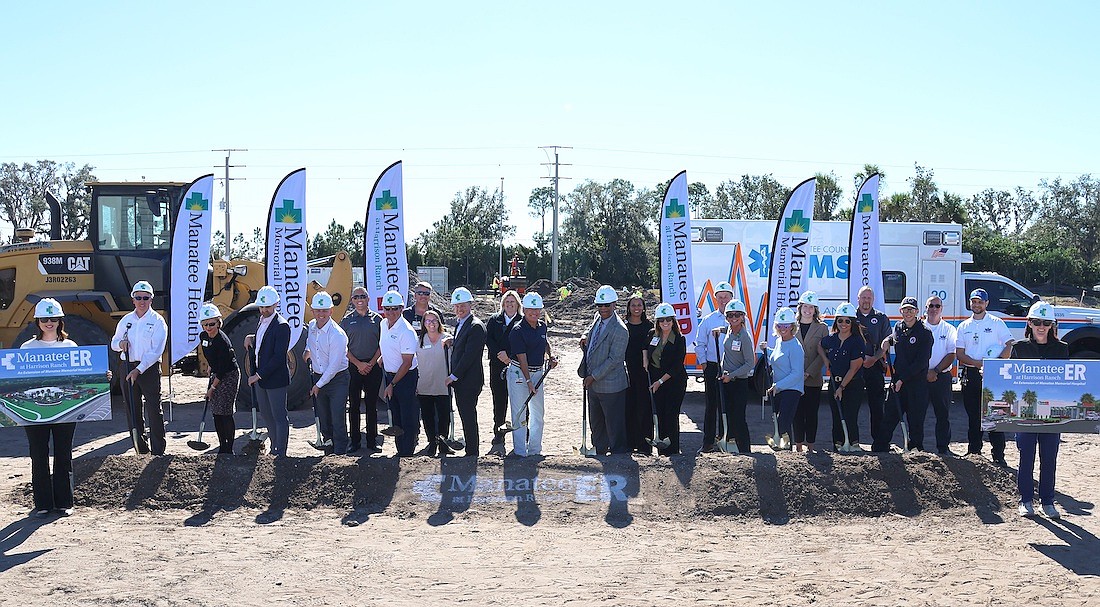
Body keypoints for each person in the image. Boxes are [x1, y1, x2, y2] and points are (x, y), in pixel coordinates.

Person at [22, 298, 80, 517]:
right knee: (38, 454)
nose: (49, 323)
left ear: (59, 321)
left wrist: (102, 376)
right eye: (44, 319)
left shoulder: (70, 346)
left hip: (64, 409)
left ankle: (64, 502)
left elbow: (80, 377)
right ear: (37, 321)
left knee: (63, 453)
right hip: (35, 409)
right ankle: (43, 504)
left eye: (53, 318)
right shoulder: (27, 348)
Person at [1012, 301, 1069, 518]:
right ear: (1029, 323)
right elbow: (1010, 379)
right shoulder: (1019, 348)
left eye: (1046, 323)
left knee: (1049, 458)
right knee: (1026, 457)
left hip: (1053, 414)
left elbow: (1066, 381)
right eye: (1037, 322)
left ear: (1052, 325)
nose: (1041, 327)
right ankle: (1026, 500)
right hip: (1025, 413)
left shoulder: (1061, 348)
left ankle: (1047, 501)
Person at [956, 288, 1013, 466]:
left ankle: (998, 456)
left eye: (980, 302)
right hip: (971, 374)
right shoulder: (964, 326)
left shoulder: (996, 322)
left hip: (992, 375)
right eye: (974, 301)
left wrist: (995, 364)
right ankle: (974, 453)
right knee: (974, 417)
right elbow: (959, 353)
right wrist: (977, 363)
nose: (976, 305)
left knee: (995, 416)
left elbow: (1009, 344)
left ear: (986, 303)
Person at [110, 280, 168, 455]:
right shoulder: (126, 320)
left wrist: (139, 370)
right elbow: (114, 343)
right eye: (138, 297)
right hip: (127, 366)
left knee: (153, 409)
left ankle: (158, 451)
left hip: (148, 369)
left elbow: (155, 351)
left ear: (151, 299)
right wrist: (121, 344)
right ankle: (140, 449)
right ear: (133, 299)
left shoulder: (158, 322)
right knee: (132, 408)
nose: (142, 301)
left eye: (145, 297)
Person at [874, 296, 933, 452]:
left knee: (915, 420)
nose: (908, 313)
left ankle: (915, 449)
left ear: (917, 312)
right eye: (905, 310)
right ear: (901, 311)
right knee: (890, 416)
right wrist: (887, 340)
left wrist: (903, 380)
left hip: (916, 384)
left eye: (911, 310)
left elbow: (921, 363)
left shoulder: (925, 333)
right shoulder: (899, 327)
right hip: (898, 381)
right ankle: (880, 447)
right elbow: (894, 338)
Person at [580, 285, 630, 455]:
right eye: (600, 305)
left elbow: (614, 360)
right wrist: (585, 335)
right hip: (593, 385)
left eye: (606, 305)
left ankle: (619, 458)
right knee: (597, 423)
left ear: (614, 304)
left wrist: (593, 377)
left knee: (614, 425)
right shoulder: (598, 317)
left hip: (611, 386)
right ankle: (600, 452)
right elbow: (592, 329)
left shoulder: (620, 330)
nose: (603, 308)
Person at [507, 292, 558, 457]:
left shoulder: (542, 326)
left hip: (538, 372)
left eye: (537, 310)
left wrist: (550, 356)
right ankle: (520, 451)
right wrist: (529, 381)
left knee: (538, 413)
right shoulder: (517, 330)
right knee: (519, 412)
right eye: (531, 310)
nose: (534, 313)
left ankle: (535, 450)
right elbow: (522, 358)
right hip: (519, 374)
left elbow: (545, 342)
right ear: (525, 309)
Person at [245, 285, 291, 457]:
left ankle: (281, 452)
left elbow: (278, 357)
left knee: (279, 416)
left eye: (267, 307)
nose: (264, 310)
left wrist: (258, 375)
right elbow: (263, 341)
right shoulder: (262, 320)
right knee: (266, 414)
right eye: (262, 307)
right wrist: (251, 337)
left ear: (276, 305)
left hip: (275, 379)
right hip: (261, 379)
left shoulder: (282, 326)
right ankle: (274, 447)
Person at [817, 302, 868, 452]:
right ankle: (838, 444)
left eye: (847, 321)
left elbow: (854, 369)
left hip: (852, 385)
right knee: (836, 416)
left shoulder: (857, 342)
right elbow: (820, 345)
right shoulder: (831, 338)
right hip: (834, 382)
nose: (843, 324)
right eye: (840, 320)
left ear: (852, 322)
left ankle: (853, 444)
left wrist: (841, 387)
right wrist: (825, 360)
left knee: (850, 415)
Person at [304, 292, 350, 455]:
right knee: (324, 417)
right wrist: (307, 351)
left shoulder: (337, 335)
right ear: (313, 311)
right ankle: (328, 447)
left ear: (331, 311)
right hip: (318, 376)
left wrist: (318, 385)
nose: (321, 314)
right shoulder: (311, 326)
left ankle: (340, 452)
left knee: (337, 416)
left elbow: (333, 366)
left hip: (337, 379)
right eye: (318, 311)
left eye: (324, 311)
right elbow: (311, 343)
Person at [694, 281, 734, 453]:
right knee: (711, 406)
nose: (723, 300)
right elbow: (699, 344)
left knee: (729, 405)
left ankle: (726, 439)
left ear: (732, 298)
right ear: (715, 299)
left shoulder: (738, 319)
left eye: (726, 296)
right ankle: (708, 442)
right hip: (712, 366)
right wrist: (704, 364)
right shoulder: (708, 320)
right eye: (720, 297)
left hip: (731, 367)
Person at [342, 286, 383, 454]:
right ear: (352, 300)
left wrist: (371, 363)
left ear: (368, 299)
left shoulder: (378, 319)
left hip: (373, 367)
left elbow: (382, 344)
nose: (360, 299)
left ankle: (372, 441)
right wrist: (358, 364)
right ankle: (355, 441)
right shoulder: (346, 320)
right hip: (353, 367)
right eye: (356, 297)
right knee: (354, 406)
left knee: (372, 405)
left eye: (363, 296)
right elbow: (343, 347)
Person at [446, 287, 486, 457]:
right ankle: (471, 449)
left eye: (463, 305)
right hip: (463, 380)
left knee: (468, 416)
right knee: (465, 415)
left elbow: (469, 356)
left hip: (469, 381)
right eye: (456, 306)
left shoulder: (476, 326)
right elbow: (463, 344)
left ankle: (472, 452)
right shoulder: (462, 323)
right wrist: (453, 341)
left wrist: (454, 376)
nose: (459, 309)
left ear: (470, 305)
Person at [380, 290, 420, 456]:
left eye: (394, 308)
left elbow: (407, 362)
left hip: (405, 378)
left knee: (407, 416)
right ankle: (400, 450)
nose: (391, 312)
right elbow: (387, 344)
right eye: (387, 308)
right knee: (396, 416)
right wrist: (383, 356)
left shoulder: (407, 331)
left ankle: (407, 452)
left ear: (402, 308)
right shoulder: (383, 324)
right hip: (390, 375)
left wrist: (392, 385)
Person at [197, 303, 239, 455]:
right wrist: (210, 365)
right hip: (217, 373)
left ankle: (229, 448)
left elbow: (222, 369)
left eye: (212, 324)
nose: (208, 327)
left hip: (228, 375)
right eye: (205, 324)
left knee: (225, 411)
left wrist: (212, 389)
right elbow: (210, 355)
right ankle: (222, 446)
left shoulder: (223, 342)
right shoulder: (203, 337)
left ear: (219, 323)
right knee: (216, 412)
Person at [646, 303, 687, 455]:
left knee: (670, 415)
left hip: (674, 382)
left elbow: (676, 366)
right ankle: (662, 450)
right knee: (660, 414)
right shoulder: (652, 334)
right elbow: (646, 349)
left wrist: (660, 382)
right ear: (657, 321)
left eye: (668, 319)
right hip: (656, 381)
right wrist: (645, 359)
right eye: (662, 320)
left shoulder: (679, 339)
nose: (665, 323)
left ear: (673, 320)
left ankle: (673, 450)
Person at [485, 290, 522, 456]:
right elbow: (488, 339)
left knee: (519, 401)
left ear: (518, 305)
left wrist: (510, 357)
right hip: (497, 365)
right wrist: (500, 354)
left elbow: (523, 342)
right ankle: (498, 434)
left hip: (517, 366)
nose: (509, 305)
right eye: (507, 302)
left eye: (512, 302)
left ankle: (522, 434)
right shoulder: (494, 320)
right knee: (499, 402)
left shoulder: (522, 321)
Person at [762, 307, 804, 450]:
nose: (783, 328)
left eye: (786, 325)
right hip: (779, 388)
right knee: (780, 422)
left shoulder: (796, 347)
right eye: (780, 325)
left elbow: (797, 373)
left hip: (792, 389)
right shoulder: (780, 341)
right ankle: (785, 450)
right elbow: (778, 357)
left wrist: (778, 385)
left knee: (782, 422)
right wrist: (766, 350)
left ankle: (784, 450)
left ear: (792, 326)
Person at [854, 286, 891, 443]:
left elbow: (887, 342)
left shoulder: (881, 318)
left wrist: (874, 359)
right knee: (852, 405)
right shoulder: (851, 317)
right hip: (854, 367)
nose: (866, 301)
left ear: (873, 300)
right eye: (863, 297)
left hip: (874, 366)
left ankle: (878, 441)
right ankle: (853, 441)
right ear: (858, 299)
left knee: (877, 406)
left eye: (869, 298)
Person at [793, 291, 828, 453]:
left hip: (813, 379)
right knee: (797, 413)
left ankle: (811, 446)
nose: (807, 310)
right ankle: (798, 445)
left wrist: (809, 372)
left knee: (811, 414)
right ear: (800, 308)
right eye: (805, 306)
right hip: (795, 378)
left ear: (815, 310)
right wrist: (797, 373)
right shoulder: (792, 327)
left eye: (811, 307)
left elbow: (823, 355)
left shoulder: (822, 328)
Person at [719, 300, 755, 453]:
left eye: (737, 315)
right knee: (727, 414)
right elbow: (727, 330)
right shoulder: (729, 330)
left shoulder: (744, 337)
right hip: (727, 380)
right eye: (730, 315)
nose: (734, 318)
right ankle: (730, 445)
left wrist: (732, 375)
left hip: (738, 382)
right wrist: (719, 330)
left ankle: (745, 449)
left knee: (739, 417)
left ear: (743, 317)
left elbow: (750, 363)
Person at [924, 295, 958, 455]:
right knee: (917, 413)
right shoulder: (919, 327)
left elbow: (952, 354)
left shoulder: (949, 329)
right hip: (921, 377)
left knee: (943, 414)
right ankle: (916, 446)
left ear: (941, 308)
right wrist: (925, 372)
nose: (933, 309)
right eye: (931, 306)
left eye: (937, 306)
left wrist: (935, 371)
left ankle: (943, 447)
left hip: (941, 376)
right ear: (926, 308)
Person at [415, 309, 451, 456]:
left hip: (443, 384)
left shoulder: (447, 338)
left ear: (439, 322)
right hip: (424, 385)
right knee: (428, 416)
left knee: (444, 416)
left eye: (434, 320)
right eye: (428, 321)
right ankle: (432, 443)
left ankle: (443, 443)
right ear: (424, 323)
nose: (431, 324)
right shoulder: (419, 341)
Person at [623, 293, 655, 454]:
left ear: (644, 308)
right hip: (627, 371)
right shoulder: (623, 326)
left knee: (645, 407)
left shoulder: (650, 326)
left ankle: (645, 445)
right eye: (633, 305)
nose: (636, 308)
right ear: (628, 307)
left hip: (645, 372)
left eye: (639, 305)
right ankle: (629, 443)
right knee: (629, 407)